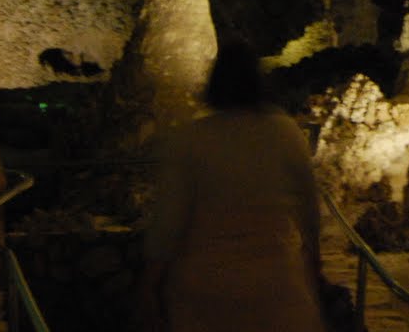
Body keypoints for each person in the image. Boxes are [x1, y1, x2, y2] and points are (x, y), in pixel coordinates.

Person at [139, 42, 325, 332]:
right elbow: (309, 212)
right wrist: (315, 265)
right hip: (275, 289)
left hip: (207, 291)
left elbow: (168, 222)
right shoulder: (286, 133)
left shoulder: (190, 140)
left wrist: (150, 284)